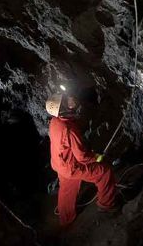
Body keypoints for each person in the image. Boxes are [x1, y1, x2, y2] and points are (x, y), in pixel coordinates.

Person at [46, 92, 117, 226]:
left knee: (67, 189)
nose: (71, 100)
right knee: (104, 172)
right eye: (66, 101)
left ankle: (66, 219)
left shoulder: (55, 122)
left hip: (59, 164)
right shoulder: (69, 130)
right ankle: (106, 205)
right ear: (62, 109)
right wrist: (96, 157)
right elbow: (82, 157)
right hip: (72, 166)